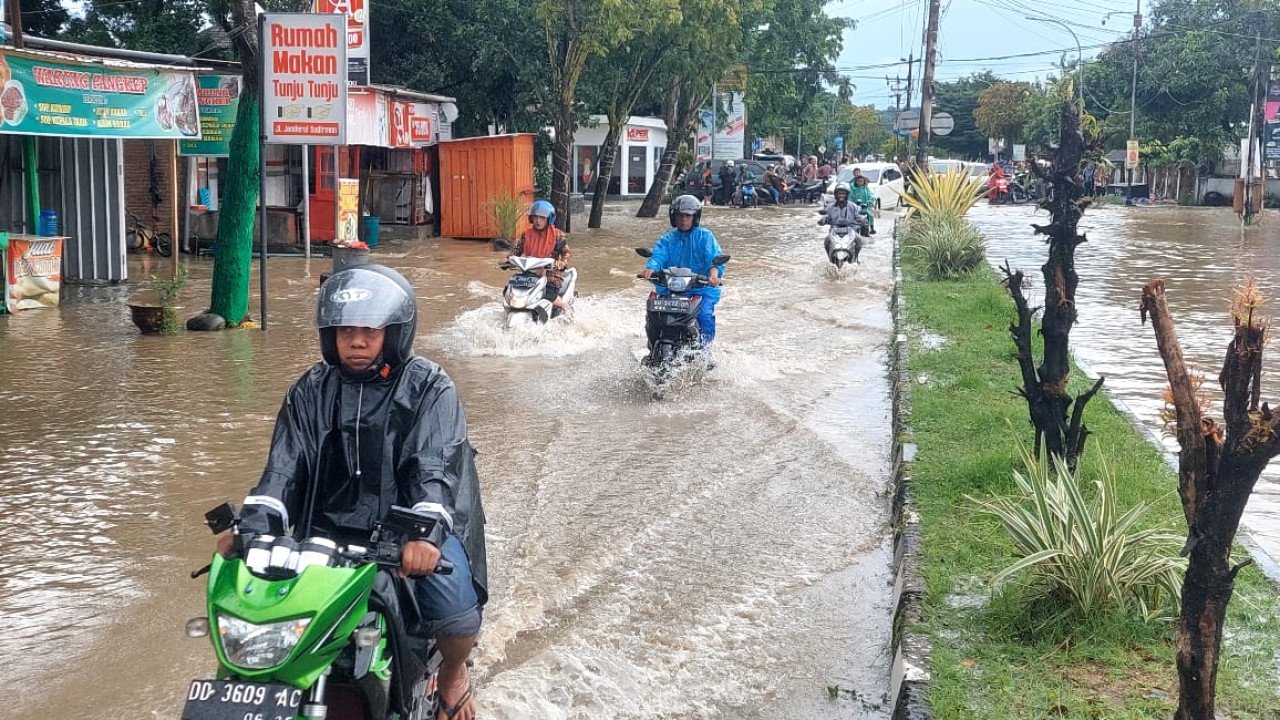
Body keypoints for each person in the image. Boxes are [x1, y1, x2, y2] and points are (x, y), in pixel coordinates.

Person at [219, 264, 487, 720]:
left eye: (369, 330)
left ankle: (453, 676)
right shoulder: (309, 390)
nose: (356, 341)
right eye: (346, 330)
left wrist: (423, 535)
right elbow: (282, 471)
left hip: (409, 533)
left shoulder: (429, 387)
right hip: (321, 534)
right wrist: (251, 528)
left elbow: (433, 468)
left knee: (456, 613)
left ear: (395, 333)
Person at [641, 194, 726, 348]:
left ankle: (705, 351)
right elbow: (658, 254)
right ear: (674, 217)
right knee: (654, 313)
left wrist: (714, 275)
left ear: (695, 217)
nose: (683, 220)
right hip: (671, 288)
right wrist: (651, 268)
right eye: (680, 216)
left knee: (705, 316)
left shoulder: (705, 236)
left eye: (688, 216)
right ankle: (653, 346)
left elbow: (714, 258)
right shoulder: (668, 238)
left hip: (700, 289)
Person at [513, 200, 572, 321]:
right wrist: (507, 260)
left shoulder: (558, 235)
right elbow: (516, 252)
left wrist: (560, 263)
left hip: (551, 274)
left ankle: (566, 308)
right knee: (510, 290)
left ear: (549, 218)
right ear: (531, 218)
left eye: (542, 217)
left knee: (548, 294)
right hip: (529, 273)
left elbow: (566, 254)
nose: (538, 220)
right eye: (535, 217)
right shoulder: (526, 234)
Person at [818, 182, 866, 262]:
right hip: (834, 231)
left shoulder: (853, 206)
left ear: (847, 195)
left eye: (843, 194)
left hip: (850, 230)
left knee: (859, 240)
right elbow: (827, 216)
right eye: (839, 194)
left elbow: (858, 215)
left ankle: (856, 258)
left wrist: (862, 219)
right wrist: (822, 220)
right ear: (836, 195)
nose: (841, 196)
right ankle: (830, 259)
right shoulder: (830, 207)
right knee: (826, 240)